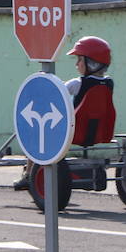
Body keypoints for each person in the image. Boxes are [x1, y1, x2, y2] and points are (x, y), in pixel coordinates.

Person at [12, 36, 113, 190]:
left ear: (91, 63)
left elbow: (55, 92)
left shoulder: (78, 83)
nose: (76, 64)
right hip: (98, 133)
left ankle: (28, 175)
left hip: (73, 133)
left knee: (36, 135)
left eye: (79, 60)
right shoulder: (109, 83)